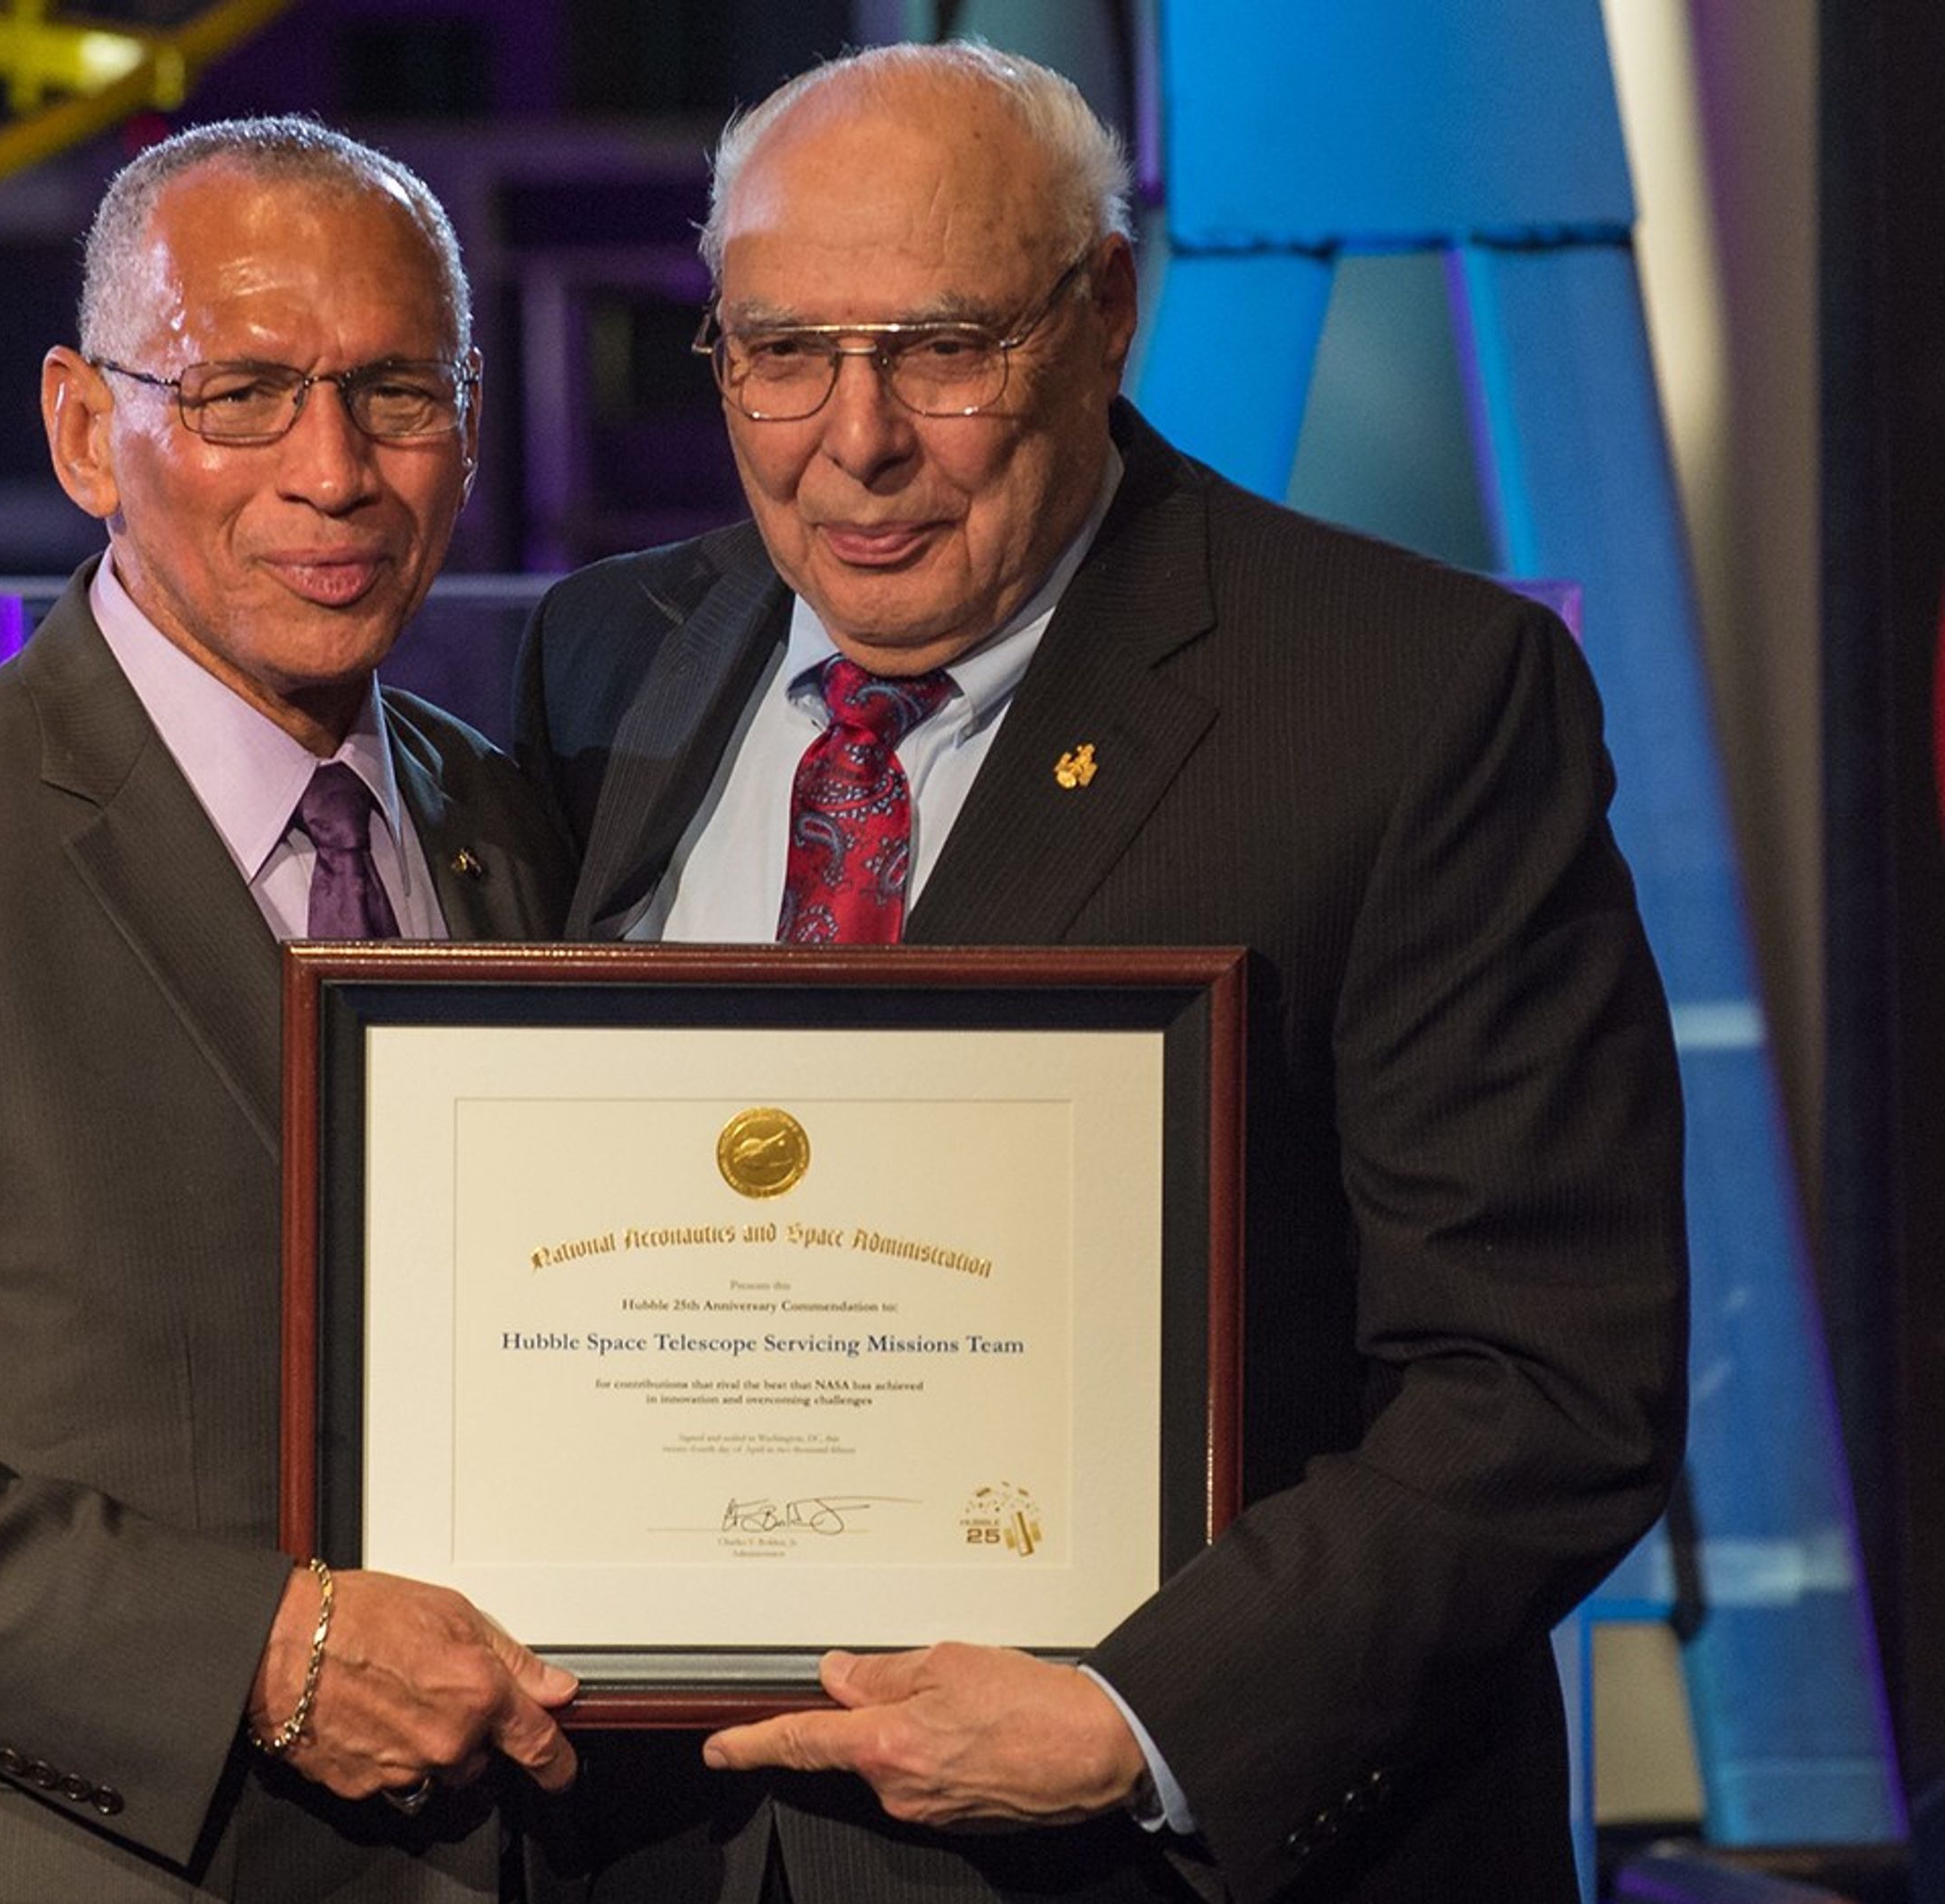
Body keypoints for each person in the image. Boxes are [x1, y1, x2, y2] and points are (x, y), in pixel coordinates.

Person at [514, 41, 1686, 1904]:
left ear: (1102, 318)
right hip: (672, 1847)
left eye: (942, 346)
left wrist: (1141, 1719)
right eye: (782, 349)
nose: (855, 435)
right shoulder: (597, 657)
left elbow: (1543, 1378)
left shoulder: (1407, 703)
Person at [0, 117, 578, 1900]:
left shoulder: (512, 830)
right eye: (240, 393)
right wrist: (261, 1651)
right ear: (84, 429)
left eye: (395, 393)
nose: (333, 471)